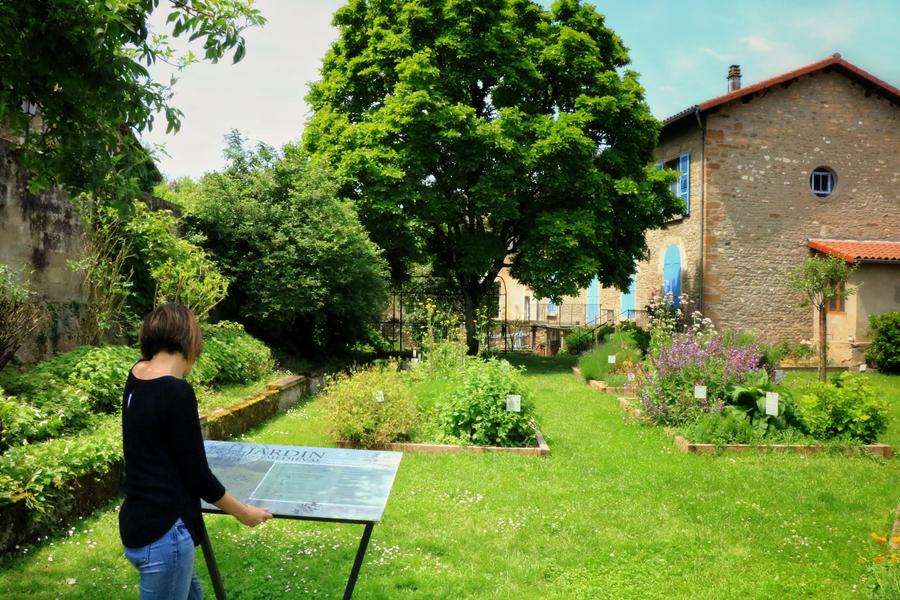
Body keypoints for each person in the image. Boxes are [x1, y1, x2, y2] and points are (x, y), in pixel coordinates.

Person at [119, 303, 272, 599]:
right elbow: (198, 476)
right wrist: (244, 513)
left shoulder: (137, 374)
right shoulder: (176, 392)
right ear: (190, 340)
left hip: (137, 522)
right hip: (164, 535)